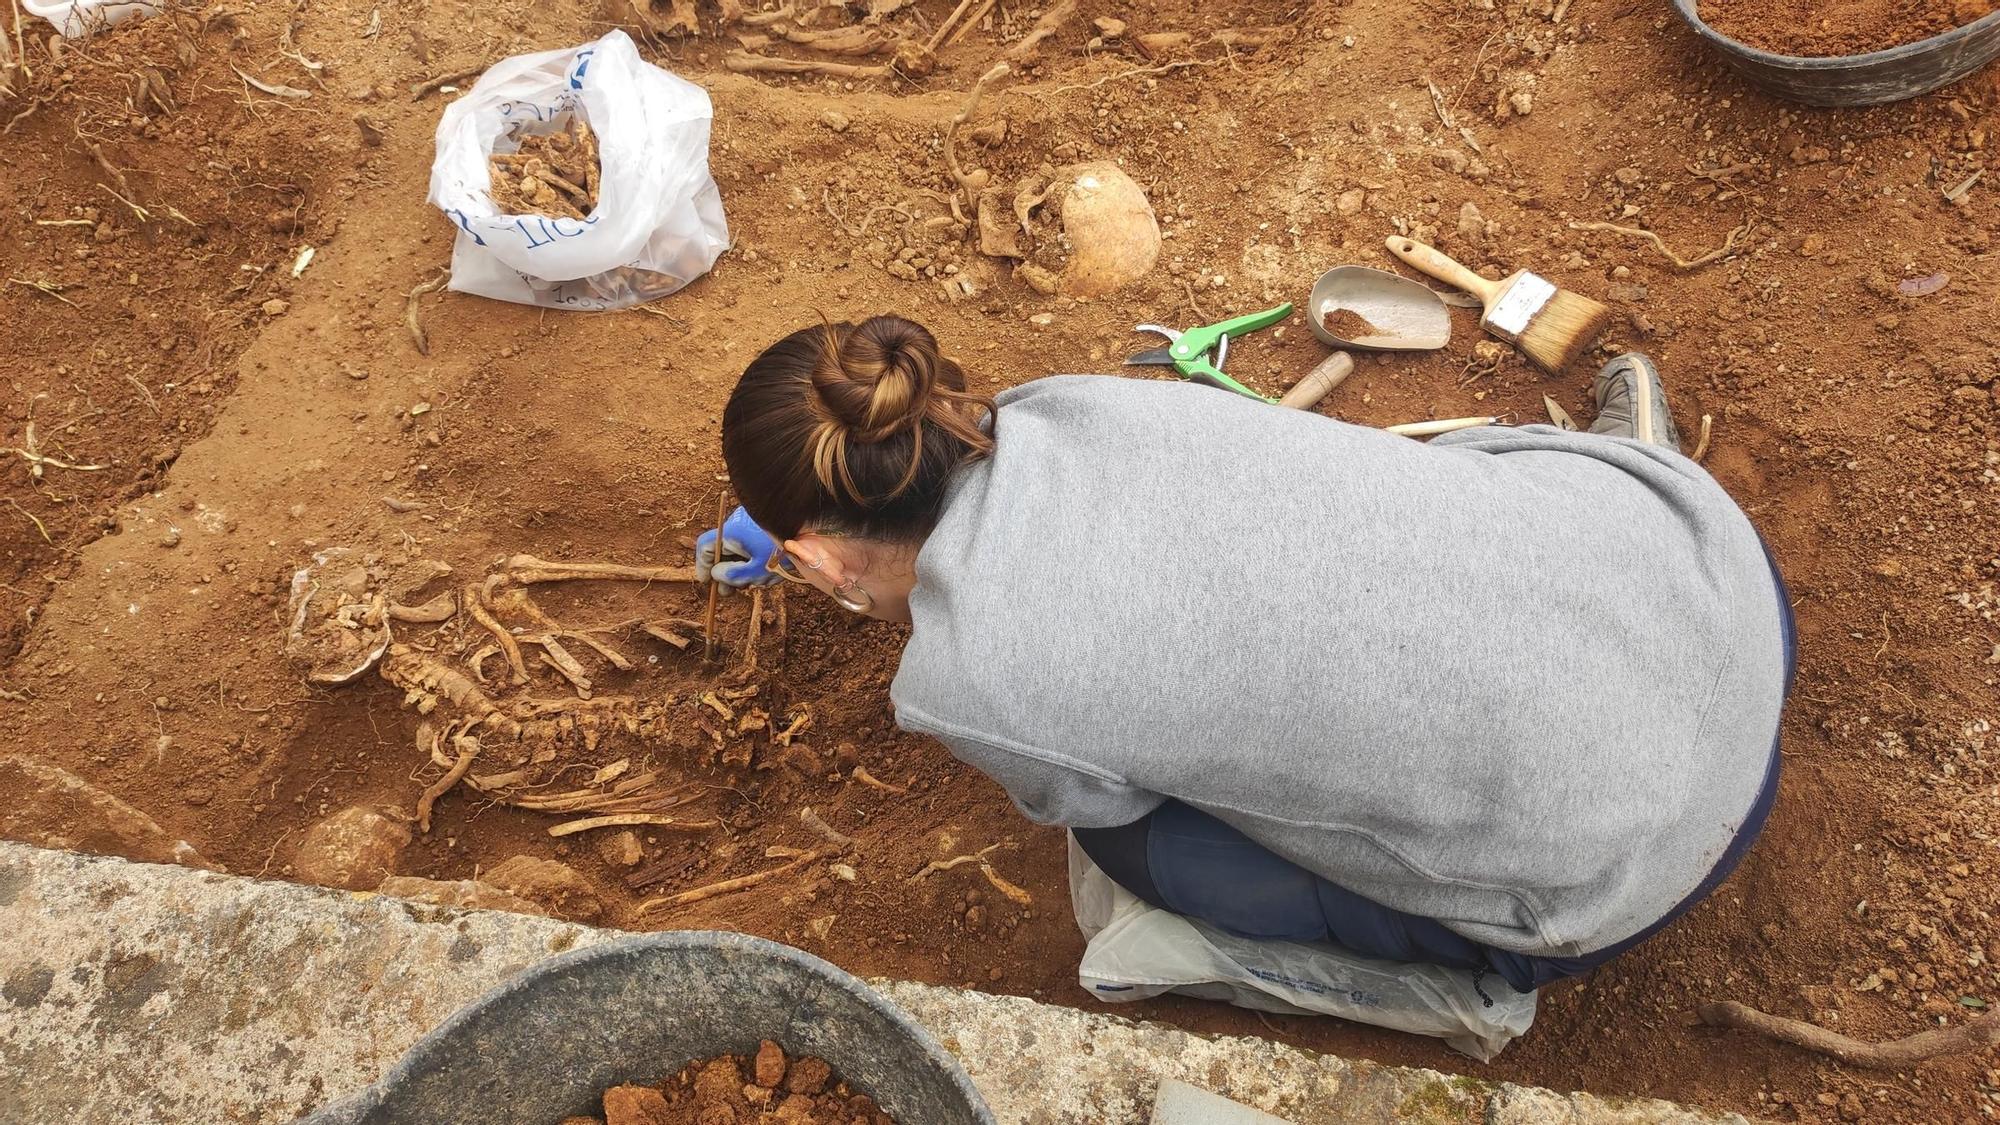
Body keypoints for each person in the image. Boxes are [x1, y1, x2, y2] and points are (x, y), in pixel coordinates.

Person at [697, 315, 1794, 996]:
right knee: (1411, 492)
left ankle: (1399, 984)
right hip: (1700, 570)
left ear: (814, 559)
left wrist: (856, 584)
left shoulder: (959, 685)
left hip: (1629, 866)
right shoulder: (1067, 406)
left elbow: (1110, 793)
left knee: (1130, 847)